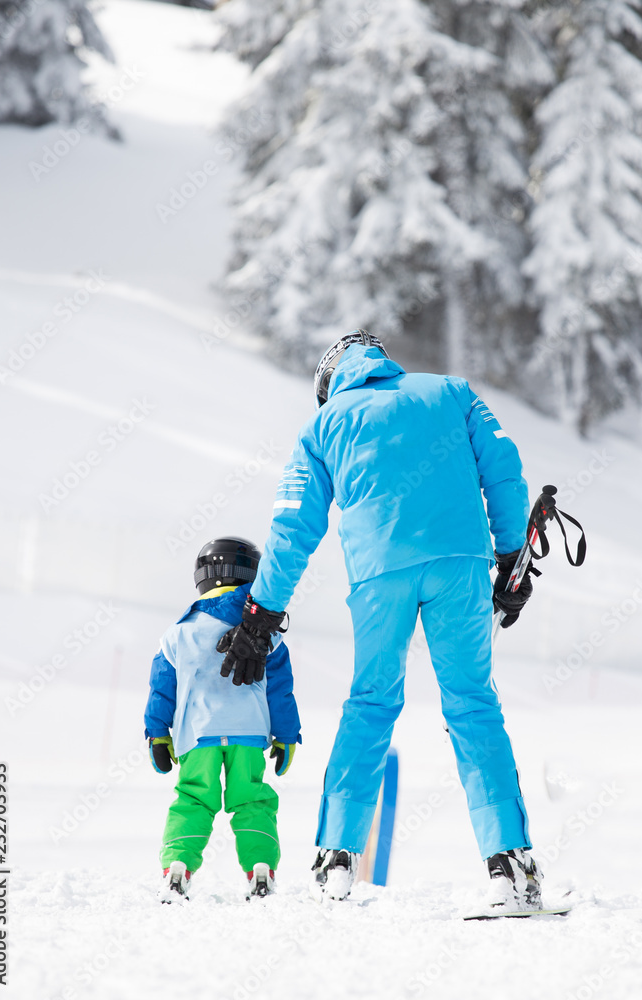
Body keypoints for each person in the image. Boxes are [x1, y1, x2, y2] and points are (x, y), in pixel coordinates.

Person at [217, 331, 540, 910]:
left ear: (330, 382)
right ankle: (508, 866)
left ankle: (336, 860)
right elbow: (505, 469)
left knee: (370, 702)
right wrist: (513, 555)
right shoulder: (451, 392)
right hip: (460, 562)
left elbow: (293, 528)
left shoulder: (323, 427)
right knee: (471, 702)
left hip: (378, 573)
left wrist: (260, 615)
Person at [144, 536, 301, 903]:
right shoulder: (267, 633)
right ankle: (260, 869)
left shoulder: (178, 633)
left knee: (194, 800)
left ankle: (178, 868)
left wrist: (157, 735)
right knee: (252, 801)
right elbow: (280, 689)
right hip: (248, 734)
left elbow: (161, 689)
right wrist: (287, 735)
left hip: (198, 736)